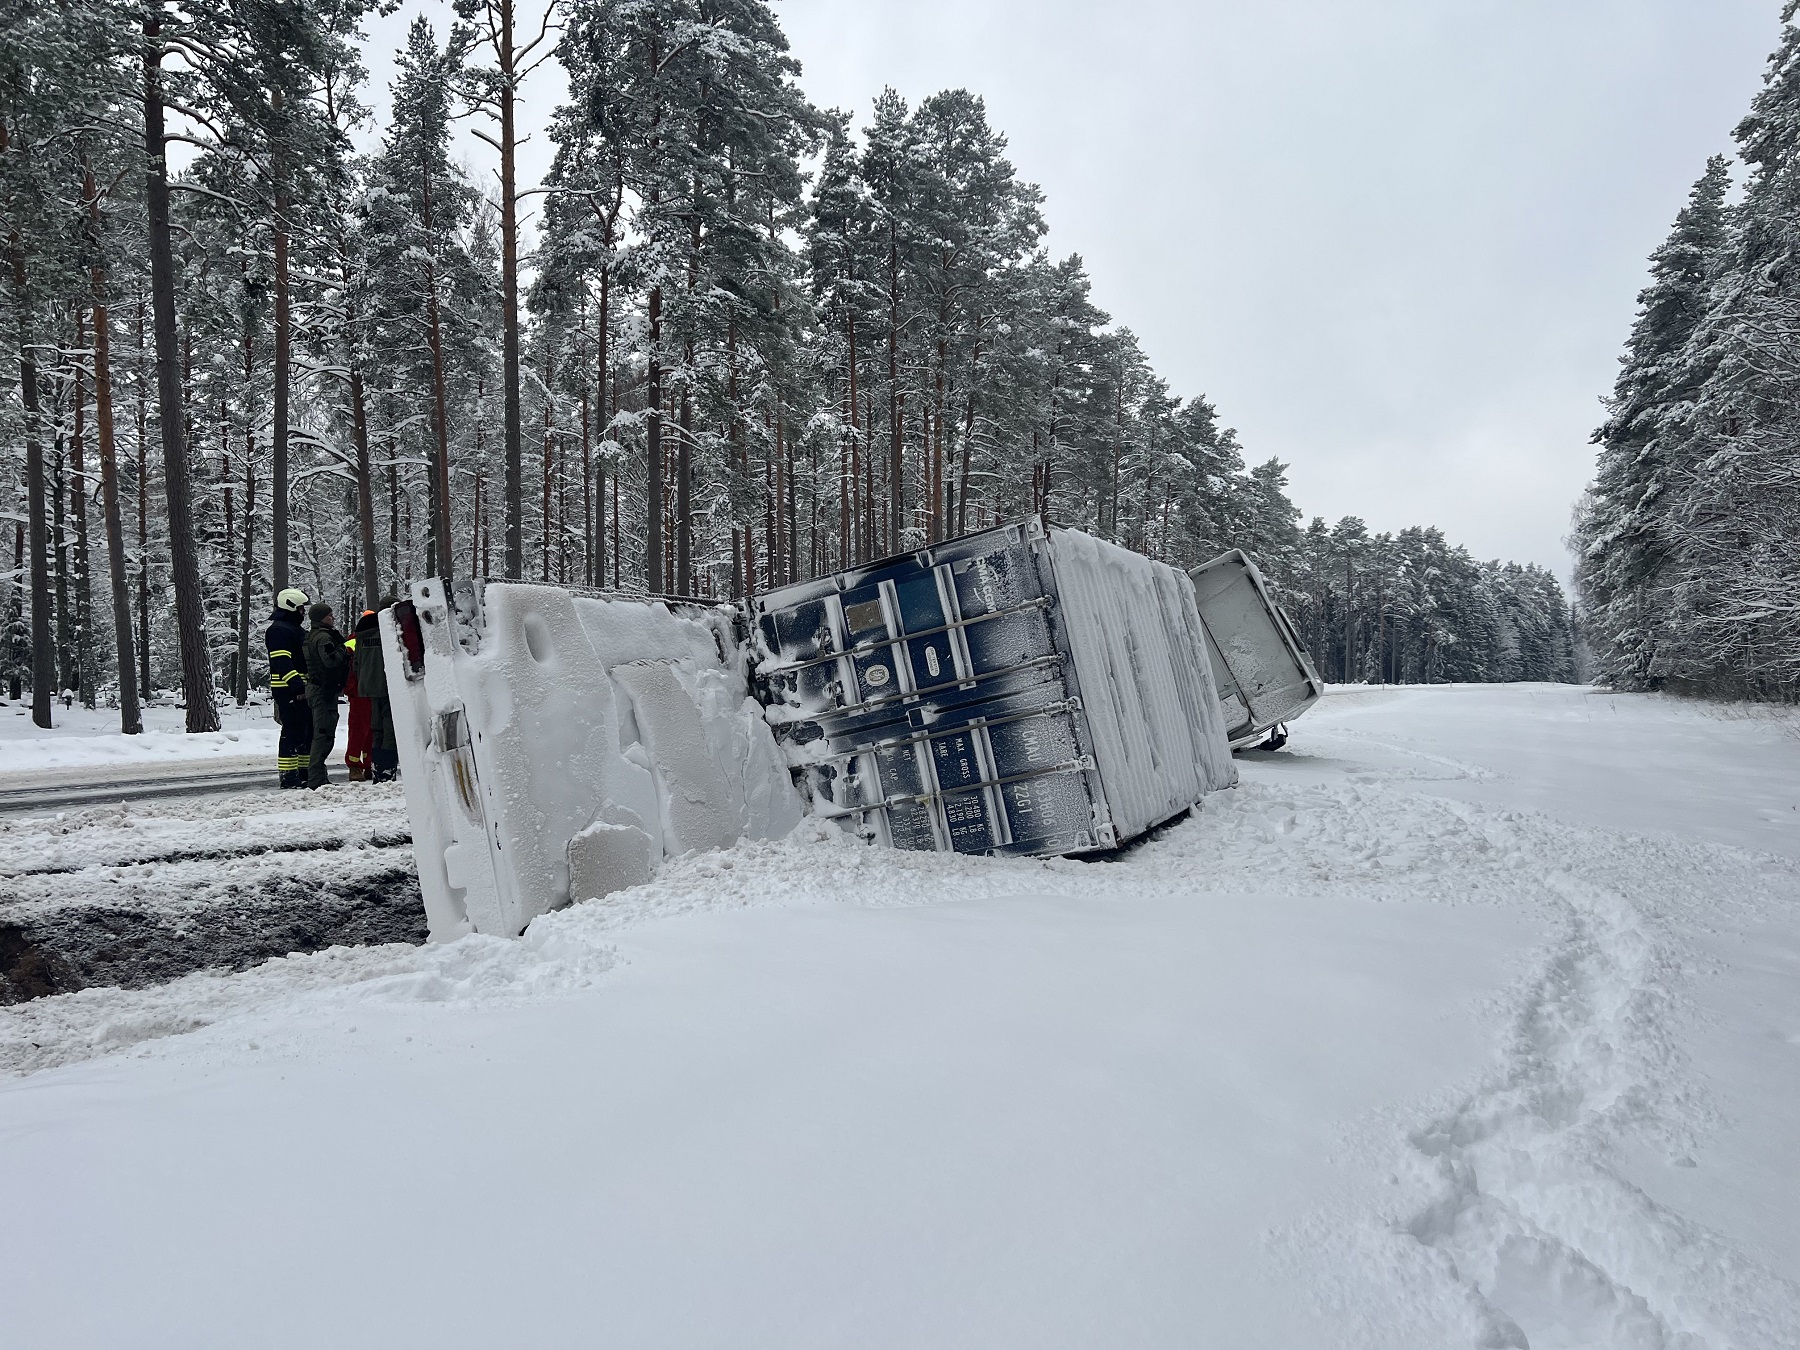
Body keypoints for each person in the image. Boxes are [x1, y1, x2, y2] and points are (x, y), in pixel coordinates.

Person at [265, 588, 313, 788]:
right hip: (289, 689)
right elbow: (282, 661)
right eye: (301, 609)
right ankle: (288, 776)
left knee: (305, 732)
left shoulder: (292, 629)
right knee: (292, 732)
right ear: (291, 607)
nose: (303, 612)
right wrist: (297, 687)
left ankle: (303, 773)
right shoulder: (279, 630)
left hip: (300, 688)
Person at [303, 603, 350, 789]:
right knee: (323, 734)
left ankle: (319, 778)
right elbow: (330, 661)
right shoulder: (323, 637)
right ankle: (316, 779)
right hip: (322, 691)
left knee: (323, 733)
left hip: (320, 690)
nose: (333, 618)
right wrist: (344, 651)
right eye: (330, 615)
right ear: (322, 618)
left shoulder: (313, 635)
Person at [355, 599, 400, 783]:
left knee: (377, 730)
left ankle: (377, 771)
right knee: (389, 729)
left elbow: (357, 661)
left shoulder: (363, 631)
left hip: (369, 686)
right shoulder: (390, 631)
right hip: (388, 685)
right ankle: (386, 772)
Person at [342, 611, 374, 782]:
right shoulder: (354, 642)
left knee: (371, 730)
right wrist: (352, 690)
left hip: (370, 691)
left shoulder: (376, 639)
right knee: (359, 730)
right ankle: (354, 765)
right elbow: (347, 668)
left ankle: (369, 765)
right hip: (360, 693)